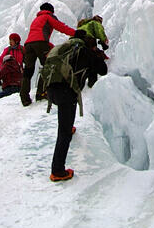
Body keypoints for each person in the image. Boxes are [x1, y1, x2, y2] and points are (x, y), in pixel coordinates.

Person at [44, 29, 107, 182]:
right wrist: (96, 54)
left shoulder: (62, 49)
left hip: (51, 90)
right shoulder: (83, 51)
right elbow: (103, 70)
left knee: (65, 118)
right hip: (66, 93)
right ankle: (57, 171)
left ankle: (68, 126)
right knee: (63, 133)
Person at [20, 3, 75, 106]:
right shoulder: (48, 16)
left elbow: (36, 37)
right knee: (48, 66)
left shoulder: (36, 19)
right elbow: (61, 27)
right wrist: (75, 33)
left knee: (28, 71)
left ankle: (24, 98)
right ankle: (42, 93)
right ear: (51, 10)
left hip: (28, 45)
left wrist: (49, 45)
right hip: (40, 43)